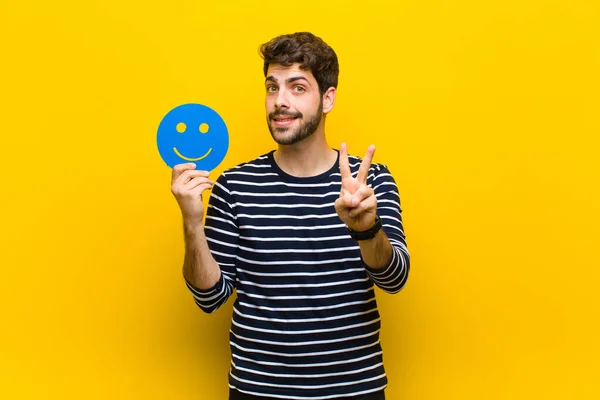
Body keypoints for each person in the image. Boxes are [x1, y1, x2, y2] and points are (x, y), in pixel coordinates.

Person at [170, 32, 410, 400]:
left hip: (353, 390)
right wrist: (191, 222)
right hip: (259, 391)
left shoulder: (370, 179)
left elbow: (395, 279)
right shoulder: (235, 185)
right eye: (272, 87)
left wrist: (366, 229)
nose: (279, 102)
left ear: (327, 98)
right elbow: (210, 297)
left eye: (297, 88)